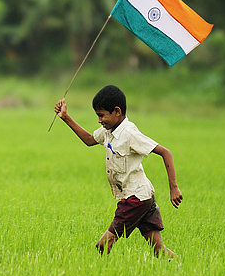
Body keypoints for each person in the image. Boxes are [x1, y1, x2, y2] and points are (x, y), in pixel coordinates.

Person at [54, 85, 182, 257]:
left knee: (103, 244)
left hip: (135, 199)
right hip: (144, 198)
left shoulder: (130, 133)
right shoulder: (109, 131)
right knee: (159, 249)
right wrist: (66, 117)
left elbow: (165, 152)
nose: (99, 120)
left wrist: (173, 187)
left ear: (116, 111)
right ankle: (179, 266)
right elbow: (90, 140)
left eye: (101, 115)